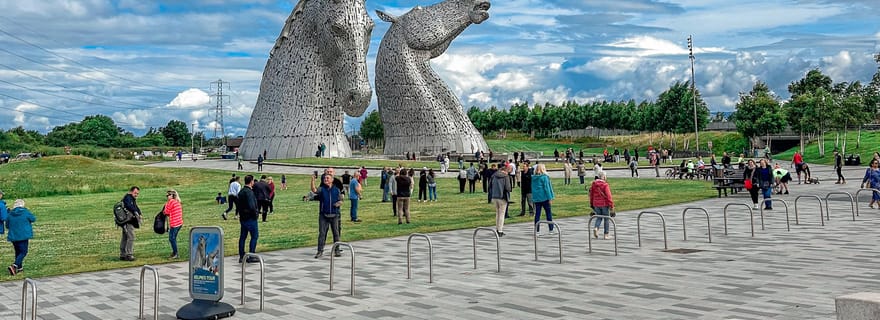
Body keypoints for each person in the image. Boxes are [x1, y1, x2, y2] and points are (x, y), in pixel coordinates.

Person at [311, 173, 343, 258]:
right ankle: (320, 251)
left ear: (332, 180)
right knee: (322, 233)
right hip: (323, 215)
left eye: (328, 178)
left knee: (336, 233)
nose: (326, 180)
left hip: (334, 215)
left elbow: (341, 200)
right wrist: (313, 180)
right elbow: (314, 190)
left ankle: (337, 250)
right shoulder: (322, 189)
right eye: (325, 178)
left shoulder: (336, 190)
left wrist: (339, 203)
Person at [6, 199, 35, 275]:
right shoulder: (25, 212)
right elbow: (33, 219)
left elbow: (7, 225)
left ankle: (19, 268)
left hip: (13, 236)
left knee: (18, 251)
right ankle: (14, 265)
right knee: (23, 252)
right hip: (23, 235)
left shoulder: (10, 214)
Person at [236, 175, 260, 263]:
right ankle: (251, 255)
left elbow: (238, 205)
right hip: (250, 218)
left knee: (243, 237)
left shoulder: (241, 192)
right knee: (254, 236)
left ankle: (242, 256)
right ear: (251, 181)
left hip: (243, 218)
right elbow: (252, 206)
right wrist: (256, 214)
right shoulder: (249, 192)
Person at [531, 164, 555, 235]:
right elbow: (547, 188)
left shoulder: (533, 178)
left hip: (537, 198)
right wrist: (550, 197)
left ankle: (537, 230)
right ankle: (551, 229)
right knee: (548, 213)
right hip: (544, 197)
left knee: (537, 214)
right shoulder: (544, 177)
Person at [119, 186, 142, 261]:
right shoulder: (128, 198)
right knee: (131, 237)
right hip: (128, 221)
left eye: (137, 193)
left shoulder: (131, 198)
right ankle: (129, 254)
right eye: (135, 193)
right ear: (131, 191)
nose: (136, 195)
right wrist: (136, 212)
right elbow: (130, 206)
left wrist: (139, 213)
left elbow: (135, 206)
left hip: (125, 221)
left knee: (125, 237)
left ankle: (123, 254)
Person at [589, 172, 614, 240]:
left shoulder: (593, 184)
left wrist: (591, 204)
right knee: (606, 219)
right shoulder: (605, 185)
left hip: (596, 204)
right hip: (604, 204)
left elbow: (591, 195)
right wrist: (611, 205)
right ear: (603, 177)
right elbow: (609, 196)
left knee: (599, 217)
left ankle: (596, 228)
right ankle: (606, 234)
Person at [488, 164, 511, 237]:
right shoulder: (505, 177)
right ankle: (500, 230)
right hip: (502, 197)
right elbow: (508, 188)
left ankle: (497, 228)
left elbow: (489, 185)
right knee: (502, 214)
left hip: (494, 196)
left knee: (497, 213)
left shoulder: (494, 175)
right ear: (505, 171)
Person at [163, 190, 183, 259]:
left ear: (171, 196)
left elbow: (166, 212)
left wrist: (166, 205)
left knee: (172, 238)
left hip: (175, 224)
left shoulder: (171, 202)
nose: (167, 197)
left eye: (167, 195)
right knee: (173, 238)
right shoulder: (177, 201)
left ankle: (176, 253)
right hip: (179, 223)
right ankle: (175, 252)